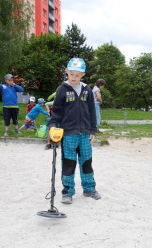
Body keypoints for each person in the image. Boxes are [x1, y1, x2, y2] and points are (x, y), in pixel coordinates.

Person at [47, 58, 100, 204]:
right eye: (71, 74)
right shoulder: (62, 89)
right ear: (66, 72)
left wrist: (93, 130)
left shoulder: (87, 90)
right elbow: (56, 112)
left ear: (83, 74)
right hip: (68, 133)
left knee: (86, 162)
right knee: (68, 162)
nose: (74, 78)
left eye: (78, 75)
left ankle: (89, 188)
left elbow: (92, 112)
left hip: (85, 134)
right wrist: (51, 125)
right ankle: (67, 191)